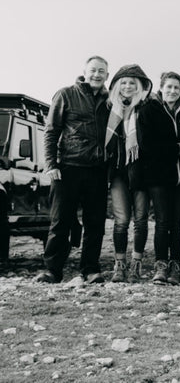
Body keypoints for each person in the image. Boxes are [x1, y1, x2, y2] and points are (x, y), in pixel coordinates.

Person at [36, 56, 110, 284]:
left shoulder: (110, 103)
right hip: (68, 168)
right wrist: (51, 165)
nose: (96, 75)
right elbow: (51, 131)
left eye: (101, 72)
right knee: (60, 222)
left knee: (95, 223)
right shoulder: (66, 94)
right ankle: (52, 270)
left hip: (98, 170)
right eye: (93, 70)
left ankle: (90, 269)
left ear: (107, 76)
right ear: (84, 72)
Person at [138, 71, 180, 285]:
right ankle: (160, 266)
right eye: (169, 87)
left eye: (177, 88)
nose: (172, 91)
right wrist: (176, 149)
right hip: (158, 177)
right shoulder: (149, 110)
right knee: (162, 222)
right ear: (161, 87)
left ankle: (175, 267)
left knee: (177, 222)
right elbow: (147, 145)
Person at [105, 65, 152, 283]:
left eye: (132, 82)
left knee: (141, 220)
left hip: (141, 172)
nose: (127, 86)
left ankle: (136, 264)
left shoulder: (147, 107)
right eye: (123, 82)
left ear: (139, 86)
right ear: (116, 85)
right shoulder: (109, 108)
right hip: (118, 173)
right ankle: (119, 265)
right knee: (121, 220)